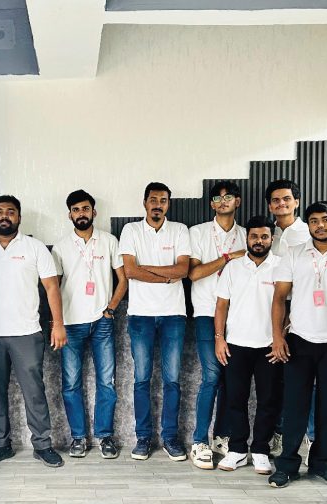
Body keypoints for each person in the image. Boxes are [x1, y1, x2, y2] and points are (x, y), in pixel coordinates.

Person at [0, 195, 67, 468]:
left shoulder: (35, 247)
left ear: (19, 217)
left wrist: (58, 324)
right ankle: (0, 445)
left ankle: (43, 445)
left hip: (27, 332)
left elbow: (51, 287)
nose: (4, 216)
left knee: (34, 392)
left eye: (10, 212)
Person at [268, 202, 327, 488]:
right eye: (314, 220)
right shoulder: (294, 253)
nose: (320, 225)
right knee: (294, 407)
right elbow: (279, 298)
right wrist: (278, 337)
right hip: (299, 340)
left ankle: (321, 463)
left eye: (326, 220)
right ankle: (287, 465)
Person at [117, 182, 192, 461]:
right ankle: (143, 438)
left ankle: (170, 437)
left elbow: (182, 269)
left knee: (172, 380)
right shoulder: (131, 230)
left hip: (174, 314)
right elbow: (130, 271)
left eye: (163, 200)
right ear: (145, 202)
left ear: (168, 204)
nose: (157, 204)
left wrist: (146, 268)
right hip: (140, 315)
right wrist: (165, 276)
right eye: (153, 199)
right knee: (142, 379)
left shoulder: (180, 230)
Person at [51, 190, 127, 459]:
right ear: (69, 215)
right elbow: (53, 287)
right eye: (76, 210)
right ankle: (78, 437)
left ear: (94, 212)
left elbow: (123, 279)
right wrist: (57, 322)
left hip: (102, 323)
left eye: (85, 208)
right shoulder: (60, 247)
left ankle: (105, 437)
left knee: (107, 383)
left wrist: (111, 309)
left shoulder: (109, 241)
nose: (81, 213)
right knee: (71, 384)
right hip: (70, 325)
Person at [214, 215, 283, 475]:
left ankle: (261, 451)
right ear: (247, 238)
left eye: (264, 236)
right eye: (254, 236)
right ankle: (238, 450)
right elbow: (221, 305)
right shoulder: (233, 267)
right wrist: (219, 338)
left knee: (268, 401)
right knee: (235, 399)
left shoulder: (281, 266)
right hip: (236, 344)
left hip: (269, 346)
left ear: (272, 239)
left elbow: (289, 305)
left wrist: (281, 338)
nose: (259, 241)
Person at [186, 181, 248, 469]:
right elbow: (194, 274)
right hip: (206, 313)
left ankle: (221, 437)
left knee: (229, 380)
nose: (223, 201)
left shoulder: (247, 235)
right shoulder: (198, 232)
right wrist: (229, 258)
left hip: (239, 315)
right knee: (211, 376)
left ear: (237, 201)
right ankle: (199, 440)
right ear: (211, 204)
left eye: (228, 197)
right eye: (217, 198)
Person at [266, 179, 310, 455]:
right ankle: (278, 433)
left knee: (300, 379)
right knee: (275, 378)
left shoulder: (308, 233)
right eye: (275, 200)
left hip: (299, 311)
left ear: (296, 202)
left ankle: (305, 437)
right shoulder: (266, 233)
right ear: (270, 206)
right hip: (270, 308)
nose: (281, 204)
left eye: (286, 199)